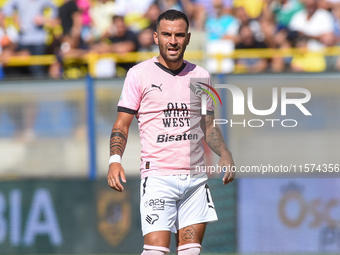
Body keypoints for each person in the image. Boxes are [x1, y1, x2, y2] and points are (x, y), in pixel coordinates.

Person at [107, 9, 235, 255]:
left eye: (178, 35)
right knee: (155, 251)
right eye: (166, 34)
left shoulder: (201, 76)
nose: (172, 41)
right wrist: (115, 160)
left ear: (187, 38)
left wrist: (225, 153)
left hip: (195, 180)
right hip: (158, 178)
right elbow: (121, 124)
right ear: (156, 37)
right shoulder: (139, 74)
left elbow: (208, 125)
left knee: (191, 251)